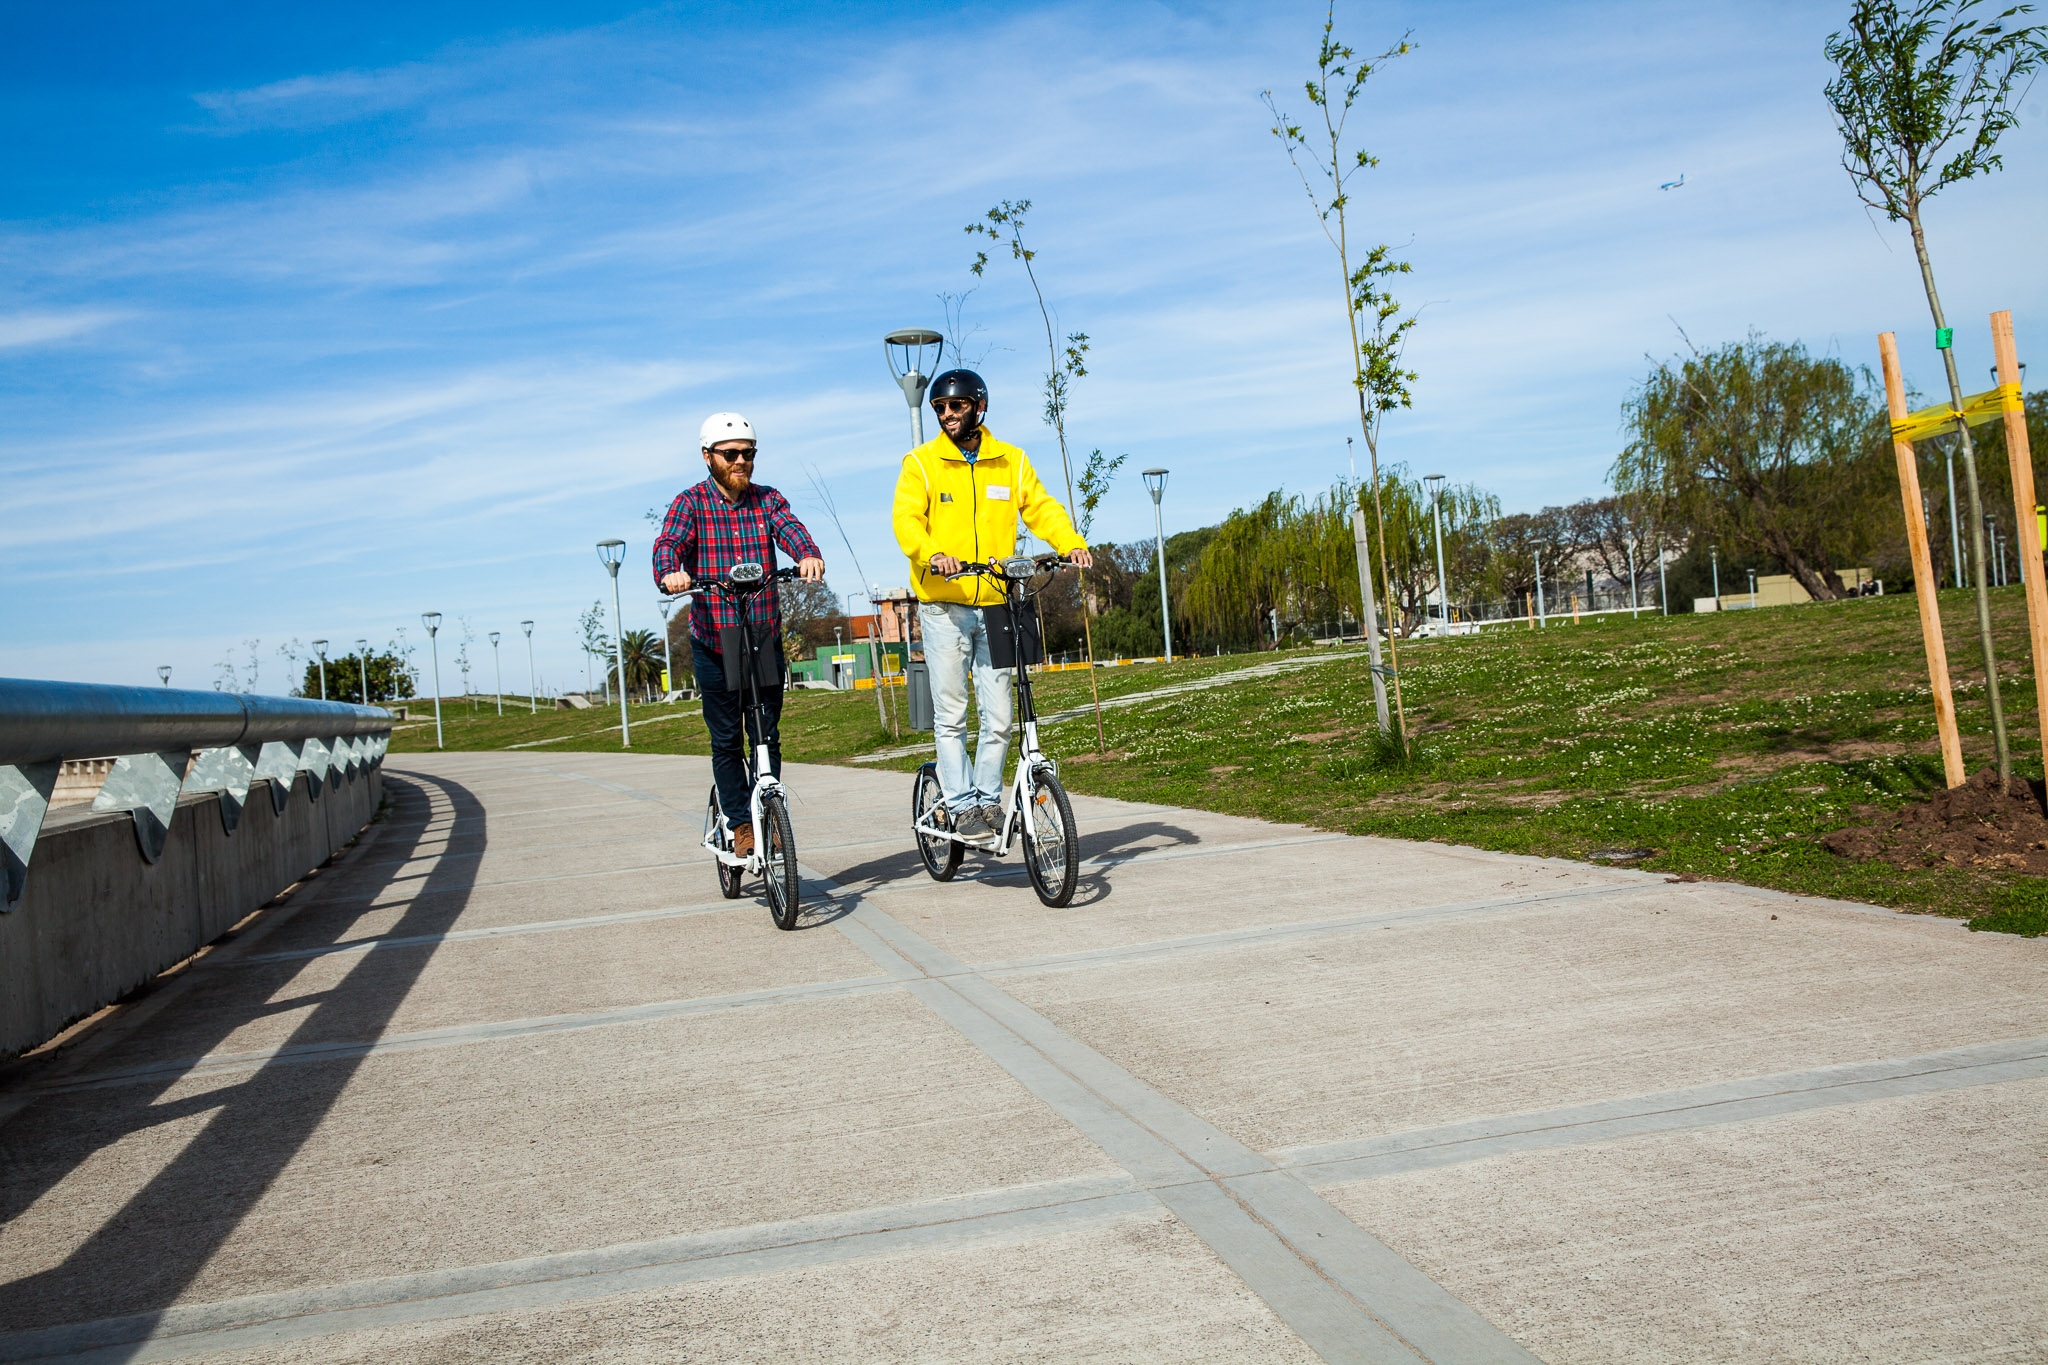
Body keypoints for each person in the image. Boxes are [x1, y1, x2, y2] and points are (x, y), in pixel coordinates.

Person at [891, 369, 1093, 839]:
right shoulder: (921, 464)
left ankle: (986, 798)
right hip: (945, 604)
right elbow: (907, 520)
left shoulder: (1012, 462)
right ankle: (960, 804)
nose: (946, 415)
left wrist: (1070, 542)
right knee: (952, 711)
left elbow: (1042, 508)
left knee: (1001, 714)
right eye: (939, 407)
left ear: (979, 407)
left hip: (999, 600)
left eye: (955, 406)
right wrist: (931, 554)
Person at [654, 412, 825, 858]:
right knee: (727, 739)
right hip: (714, 640)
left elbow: (791, 528)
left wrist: (807, 555)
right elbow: (668, 543)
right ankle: (740, 822)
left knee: (767, 734)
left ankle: (767, 808)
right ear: (708, 456)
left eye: (748, 454)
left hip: (761, 635)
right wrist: (671, 572)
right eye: (731, 454)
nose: (741, 462)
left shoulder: (768, 500)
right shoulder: (691, 503)